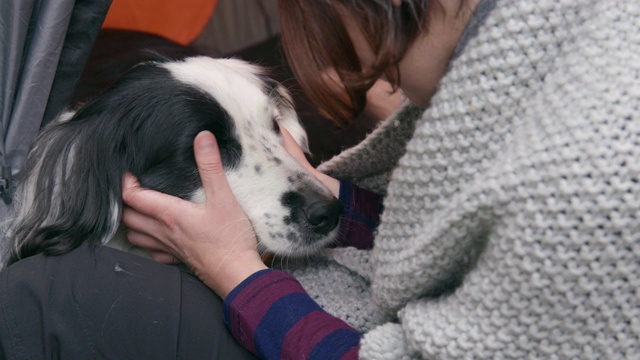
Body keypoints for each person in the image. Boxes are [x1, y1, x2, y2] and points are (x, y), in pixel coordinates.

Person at [121, 0, 640, 359]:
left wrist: (233, 270)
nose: (363, 75)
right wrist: (333, 194)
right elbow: (454, 238)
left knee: (53, 300)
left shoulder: (584, 184)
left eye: (327, 20)